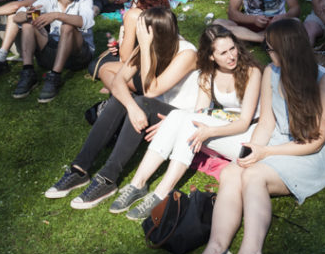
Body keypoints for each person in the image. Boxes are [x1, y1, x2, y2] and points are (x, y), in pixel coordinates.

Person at [178, 19, 325, 254]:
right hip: (277, 141)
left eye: (270, 48)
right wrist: (251, 151)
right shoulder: (271, 72)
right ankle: (216, 250)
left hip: (309, 153)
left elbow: (316, 141)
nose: (267, 53)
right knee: (232, 171)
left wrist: (267, 153)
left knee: (254, 176)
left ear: (287, 49)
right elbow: (265, 123)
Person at [44, 7, 199, 209]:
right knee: (123, 100)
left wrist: (145, 47)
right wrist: (131, 107)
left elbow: (151, 90)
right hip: (158, 108)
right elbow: (118, 81)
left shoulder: (187, 53)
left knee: (141, 101)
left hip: (184, 117)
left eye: (142, 32)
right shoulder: (147, 47)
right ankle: (79, 169)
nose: (138, 36)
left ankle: (108, 178)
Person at [109, 25, 263, 221]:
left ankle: (161, 193)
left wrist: (208, 132)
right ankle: (137, 184)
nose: (231, 56)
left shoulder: (251, 72)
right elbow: (199, 111)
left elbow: (244, 122)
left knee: (188, 121)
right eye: (223, 53)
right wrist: (174, 122)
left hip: (249, 137)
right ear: (211, 56)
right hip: (225, 128)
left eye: (233, 48)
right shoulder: (208, 75)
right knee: (177, 116)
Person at [5, 0, 95, 103]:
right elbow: (17, 17)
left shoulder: (84, 0)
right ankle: (28, 71)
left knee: (67, 26)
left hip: (79, 55)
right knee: (28, 23)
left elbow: (86, 22)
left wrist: (57, 15)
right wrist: (27, 14)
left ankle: (55, 76)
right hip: (53, 51)